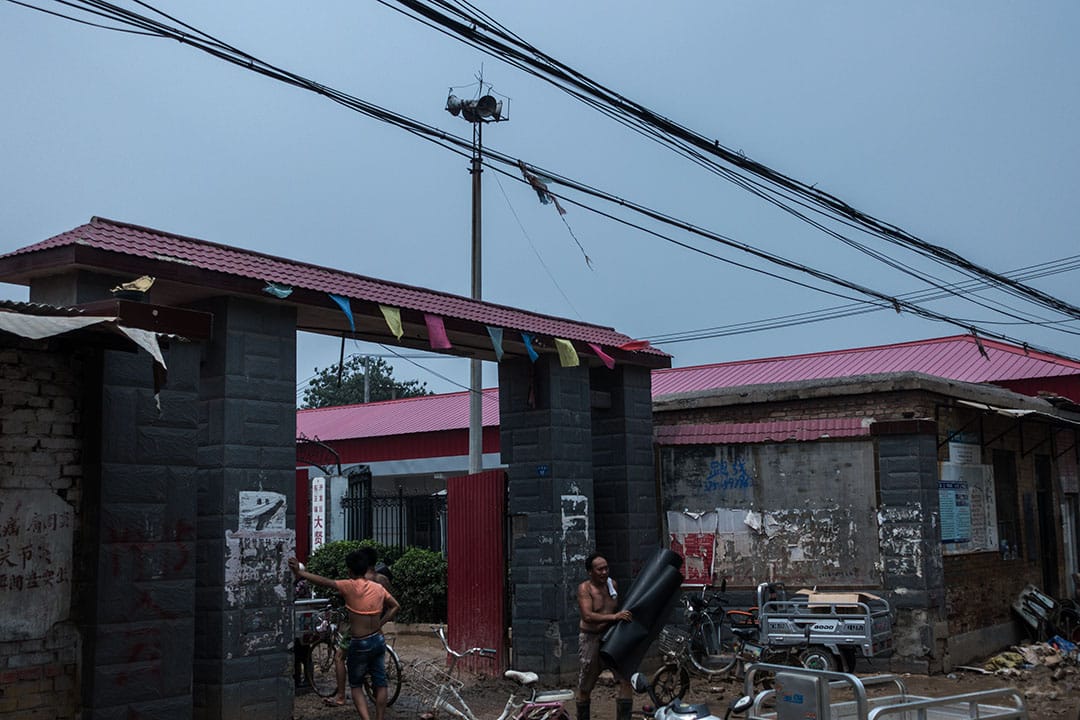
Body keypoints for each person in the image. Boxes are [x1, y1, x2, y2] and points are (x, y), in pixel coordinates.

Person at [289, 551, 399, 720]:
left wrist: (300, 573)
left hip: (360, 641)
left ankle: (354, 708)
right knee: (381, 683)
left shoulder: (349, 585)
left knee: (355, 685)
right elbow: (395, 606)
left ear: (350, 571)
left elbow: (324, 582)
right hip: (378, 639)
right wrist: (380, 623)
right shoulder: (379, 587)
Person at [328, 547, 393, 707]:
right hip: (377, 628)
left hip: (359, 630)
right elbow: (392, 604)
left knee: (339, 656)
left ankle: (341, 696)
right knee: (378, 672)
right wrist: (380, 622)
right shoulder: (383, 580)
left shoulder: (360, 581)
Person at [576, 552, 633, 720]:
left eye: (606, 568)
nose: (603, 572)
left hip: (611, 636)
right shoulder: (585, 589)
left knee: (625, 678)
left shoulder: (612, 585)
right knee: (586, 685)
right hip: (591, 638)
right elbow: (587, 616)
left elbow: (619, 610)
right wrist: (614, 617)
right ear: (590, 572)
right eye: (599, 569)